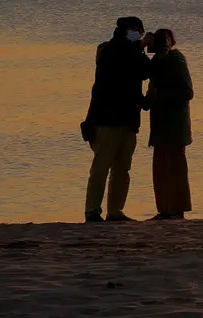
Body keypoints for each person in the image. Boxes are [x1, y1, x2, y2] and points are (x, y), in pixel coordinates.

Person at [81, 16, 150, 222]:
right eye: (136, 30)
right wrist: (138, 47)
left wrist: (141, 48)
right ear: (124, 30)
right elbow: (121, 64)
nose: (138, 33)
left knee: (122, 169)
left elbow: (145, 71)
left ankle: (115, 211)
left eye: (140, 31)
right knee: (101, 167)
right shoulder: (108, 50)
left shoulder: (133, 51)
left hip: (128, 120)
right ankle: (92, 210)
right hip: (105, 120)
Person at [143, 29, 194, 218]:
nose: (162, 45)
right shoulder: (156, 62)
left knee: (176, 168)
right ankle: (164, 209)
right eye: (158, 41)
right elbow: (145, 79)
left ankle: (177, 209)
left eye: (165, 40)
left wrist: (160, 97)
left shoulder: (177, 60)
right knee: (160, 170)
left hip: (174, 125)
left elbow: (187, 92)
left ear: (173, 42)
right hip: (160, 125)